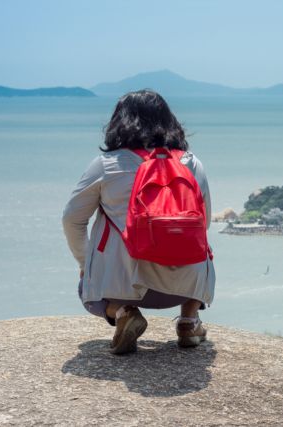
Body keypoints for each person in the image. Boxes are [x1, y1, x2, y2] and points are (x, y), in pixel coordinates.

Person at [62, 90, 215, 354]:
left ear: (118, 122)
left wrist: (84, 263)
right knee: (198, 239)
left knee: (85, 286)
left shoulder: (106, 165)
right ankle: (189, 320)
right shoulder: (192, 163)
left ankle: (123, 313)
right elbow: (205, 222)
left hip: (124, 286)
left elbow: (72, 219)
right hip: (185, 287)